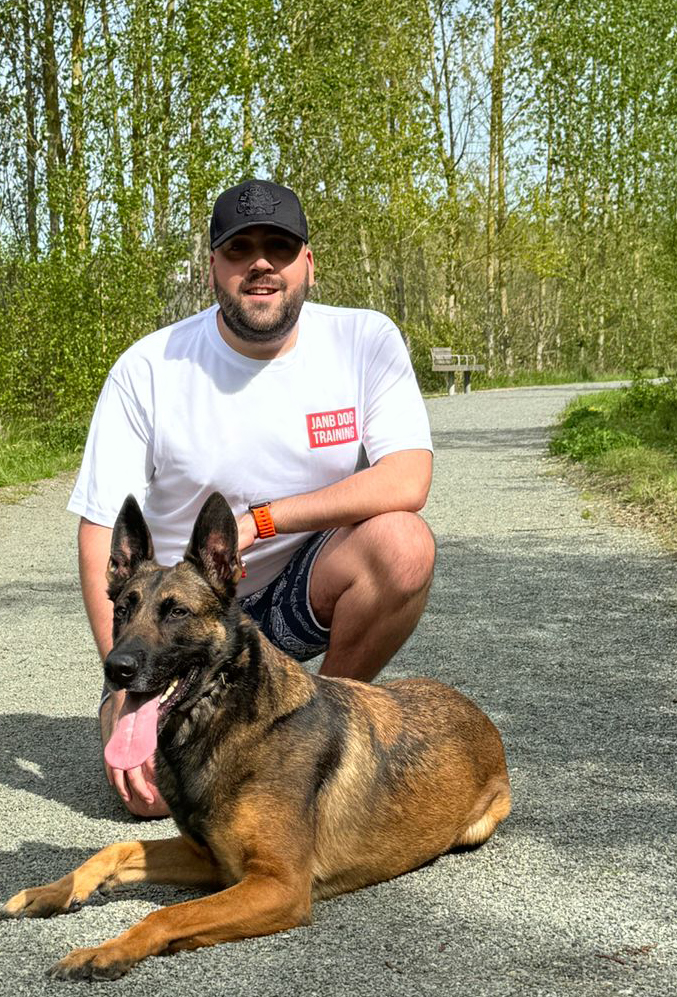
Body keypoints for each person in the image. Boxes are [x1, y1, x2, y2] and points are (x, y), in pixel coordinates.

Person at [68, 179, 435, 817]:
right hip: (181, 617)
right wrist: (124, 683)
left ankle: (320, 727)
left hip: (294, 596)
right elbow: (101, 531)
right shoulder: (148, 369)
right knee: (154, 803)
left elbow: (408, 479)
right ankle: (161, 703)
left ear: (308, 265)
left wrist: (262, 522)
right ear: (212, 265)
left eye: (280, 247)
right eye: (240, 249)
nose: (261, 263)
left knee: (402, 544)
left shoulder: (364, 340)